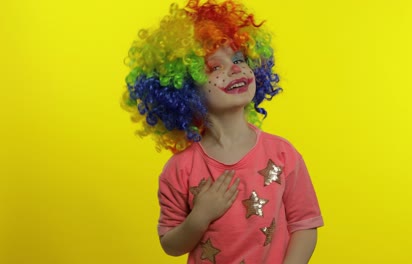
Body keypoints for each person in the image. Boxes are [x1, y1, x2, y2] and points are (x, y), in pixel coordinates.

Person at [122, 0, 324, 263]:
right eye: (215, 67)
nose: (235, 68)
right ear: (186, 90)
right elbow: (170, 244)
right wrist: (200, 216)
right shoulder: (180, 169)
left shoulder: (282, 153)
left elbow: (305, 224)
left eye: (239, 59)